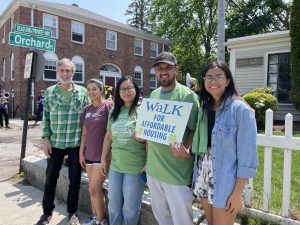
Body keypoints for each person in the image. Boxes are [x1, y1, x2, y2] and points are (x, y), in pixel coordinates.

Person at [191, 61, 258, 225]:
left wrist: (237, 194)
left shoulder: (240, 110)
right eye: (208, 77)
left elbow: (247, 158)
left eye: (218, 77)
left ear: (227, 80)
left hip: (225, 179)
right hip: (203, 173)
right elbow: (203, 145)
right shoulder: (205, 107)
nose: (213, 81)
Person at [146, 52, 199, 225]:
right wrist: (141, 133)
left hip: (177, 173)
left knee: (182, 221)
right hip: (154, 171)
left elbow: (195, 129)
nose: (163, 72)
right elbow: (148, 129)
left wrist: (188, 149)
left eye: (168, 68)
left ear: (176, 69)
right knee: (162, 219)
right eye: (159, 68)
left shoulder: (188, 96)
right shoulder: (153, 95)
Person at [36, 58, 90, 225]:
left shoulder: (82, 92)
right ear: (58, 72)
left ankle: (72, 212)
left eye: (69, 71)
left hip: (75, 144)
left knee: (75, 181)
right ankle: (47, 213)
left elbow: (88, 117)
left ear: (73, 73)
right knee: (50, 180)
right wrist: (45, 140)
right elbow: (45, 118)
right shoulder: (50, 91)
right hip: (56, 143)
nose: (65, 74)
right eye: (62, 71)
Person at [99, 76, 146, 225]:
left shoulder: (143, 110)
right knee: (113, 205)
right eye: (122, 89)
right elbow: (108, 136)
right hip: (116, 166)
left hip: (135, 167)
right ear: (118, 92)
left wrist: (149, 161)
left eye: (129, 88)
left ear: (135, 90)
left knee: (130, 208)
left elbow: (151, 139)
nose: (126, 92)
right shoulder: (114, 111)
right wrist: (103, 159)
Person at [79, 79, 113, 225]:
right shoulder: (87, 109)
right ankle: (95, 216)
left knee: (94, 189)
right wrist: (81, 153)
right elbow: (84, 134)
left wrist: (107, 156)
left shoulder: (108, 106)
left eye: (94, 89)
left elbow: (111, 132)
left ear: (101, 90)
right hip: (89, 155)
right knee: (93, 190)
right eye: (89, 89)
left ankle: (101, 220)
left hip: (102, 155)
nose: (91, 92)